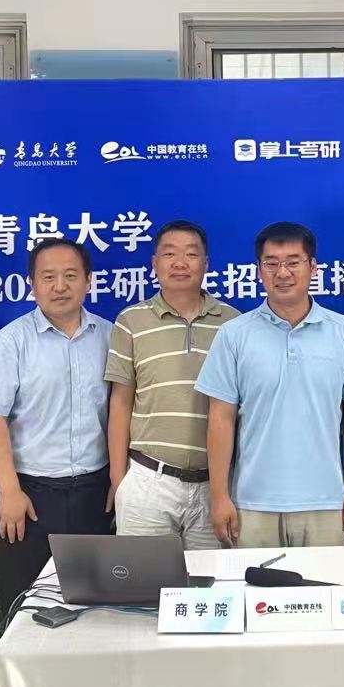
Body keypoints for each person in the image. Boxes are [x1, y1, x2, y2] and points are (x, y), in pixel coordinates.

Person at [196, 221, 344, 549]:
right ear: (259, 271)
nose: (282, 272)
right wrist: (220, 496)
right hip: (252, 504)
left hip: (326, 501)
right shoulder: (234, 335)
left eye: (293, 262)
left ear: (313, 267)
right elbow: (221, 417)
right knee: (253, 585)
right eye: (271, 263)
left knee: (324, 583)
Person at [0, 238, 112, 617]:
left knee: (96, 607)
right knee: (26, 608)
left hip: (94, 493)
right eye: (48, 277)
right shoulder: (12, 341)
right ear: (31, 284)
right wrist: (9, 492)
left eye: (70, 275)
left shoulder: (110, 337)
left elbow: (120, 412)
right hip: (31, 496)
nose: (60, 286)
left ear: (88, 281)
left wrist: (117, 480)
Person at [105, 220, 239, 550]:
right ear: (155, 263)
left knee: (210, 580)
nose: (180, 263)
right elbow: (120, 402)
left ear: (206, 264)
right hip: (148, 481)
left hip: (214, 486)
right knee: (143, 580)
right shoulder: (130, 321)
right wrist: (119, 479)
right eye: (169, 254)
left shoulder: (234, 324)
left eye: (191, 254)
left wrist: (224, 488)